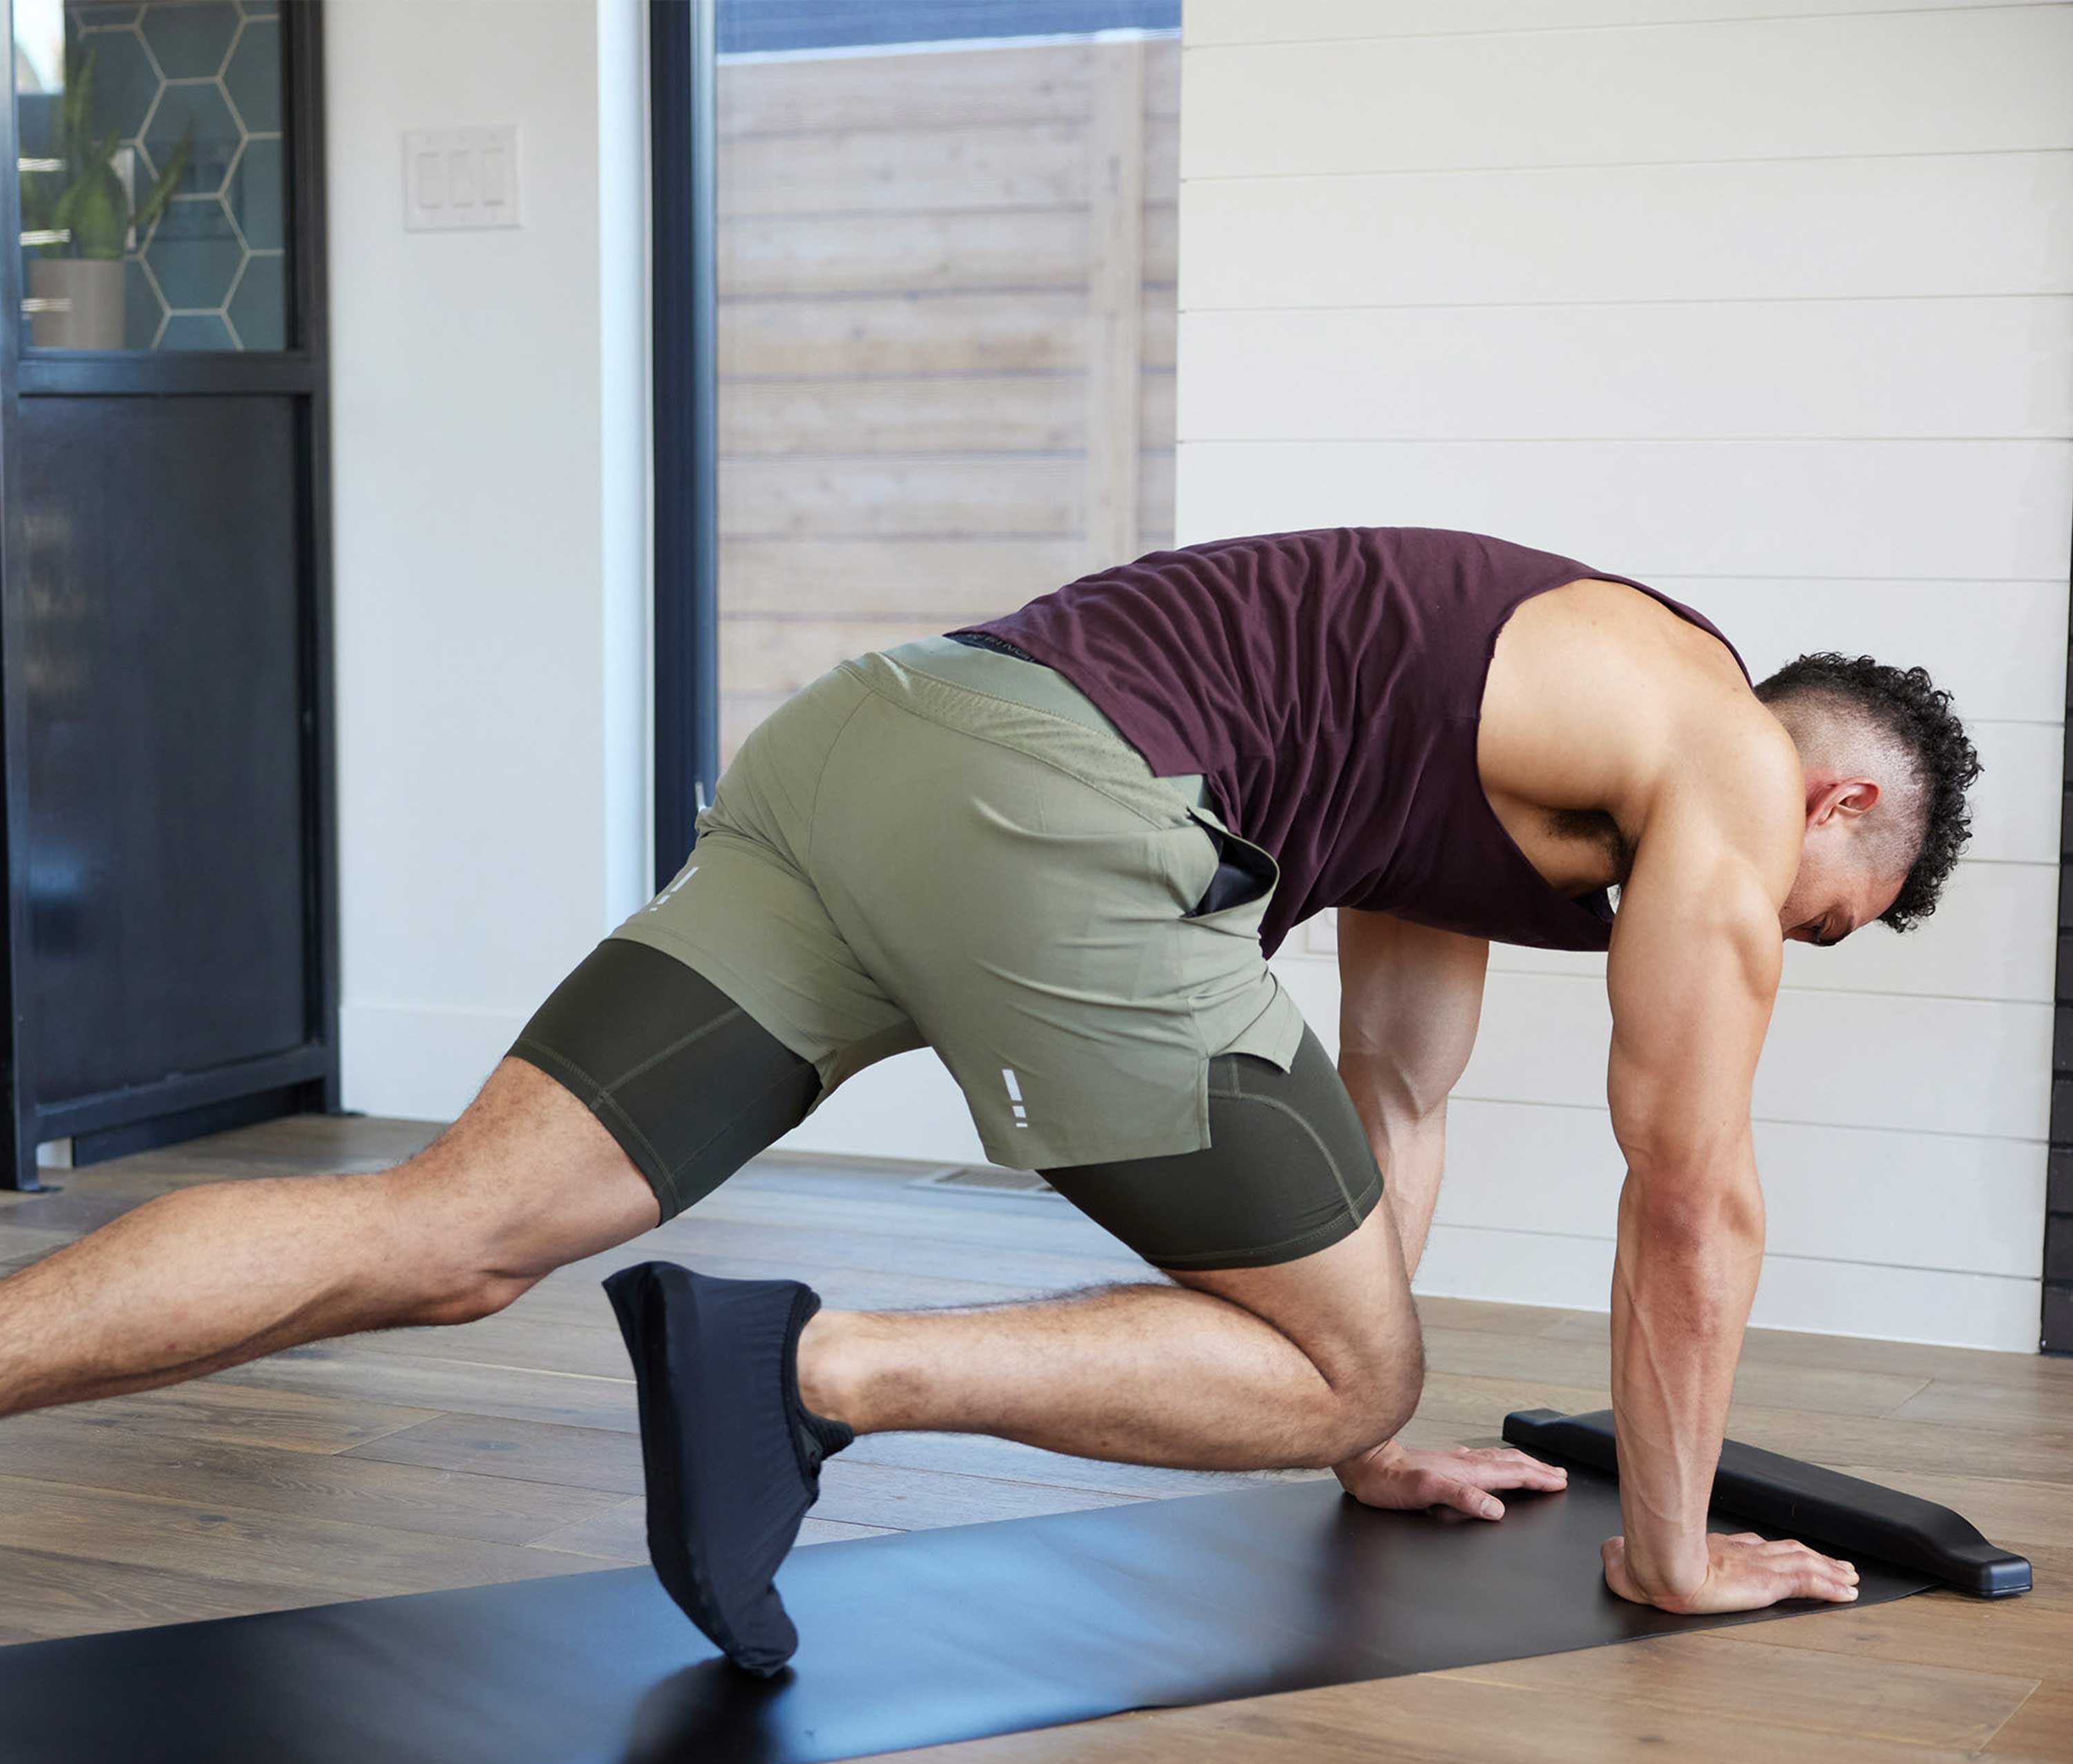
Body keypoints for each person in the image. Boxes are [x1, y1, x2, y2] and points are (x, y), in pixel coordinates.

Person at [0, 529, 1980, 1674]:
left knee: (445, 1236)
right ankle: (810, 1369)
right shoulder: (1720, 743)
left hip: (870, 748)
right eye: (1830, 922)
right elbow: (1692, 1196)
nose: (1779, 948)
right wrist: (1675, 1550)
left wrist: (1358, 1443)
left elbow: (1388, 1086)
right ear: (1842, 804)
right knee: (1349, 1367)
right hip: (1053, 803)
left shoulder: (1540, 721)